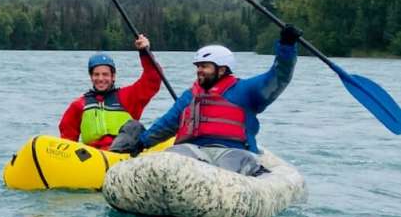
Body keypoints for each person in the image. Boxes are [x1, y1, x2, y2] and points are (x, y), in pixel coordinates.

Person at [110, 25, 302, 175]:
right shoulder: (190, 96)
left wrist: (286, 47)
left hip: (232, 151)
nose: (199, 70)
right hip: (193, 150)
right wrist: (141, 142)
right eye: (198, 66)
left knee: (232, 162)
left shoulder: (246, 90)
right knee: (173, 158)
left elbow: (279, 77)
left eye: (205, 66)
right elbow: (167, 124)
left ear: (222, 69)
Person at [58, 34, 163, 150]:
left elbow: (152, 79)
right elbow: (67, 141)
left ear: (113, 77)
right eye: (96, 74)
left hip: (123, 154)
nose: (101, 79)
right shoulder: (78, 106)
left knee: (135, 126)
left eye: (105, 74)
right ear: (91, 77)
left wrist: (145, 53)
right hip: (93, 158)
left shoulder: (128, 96)